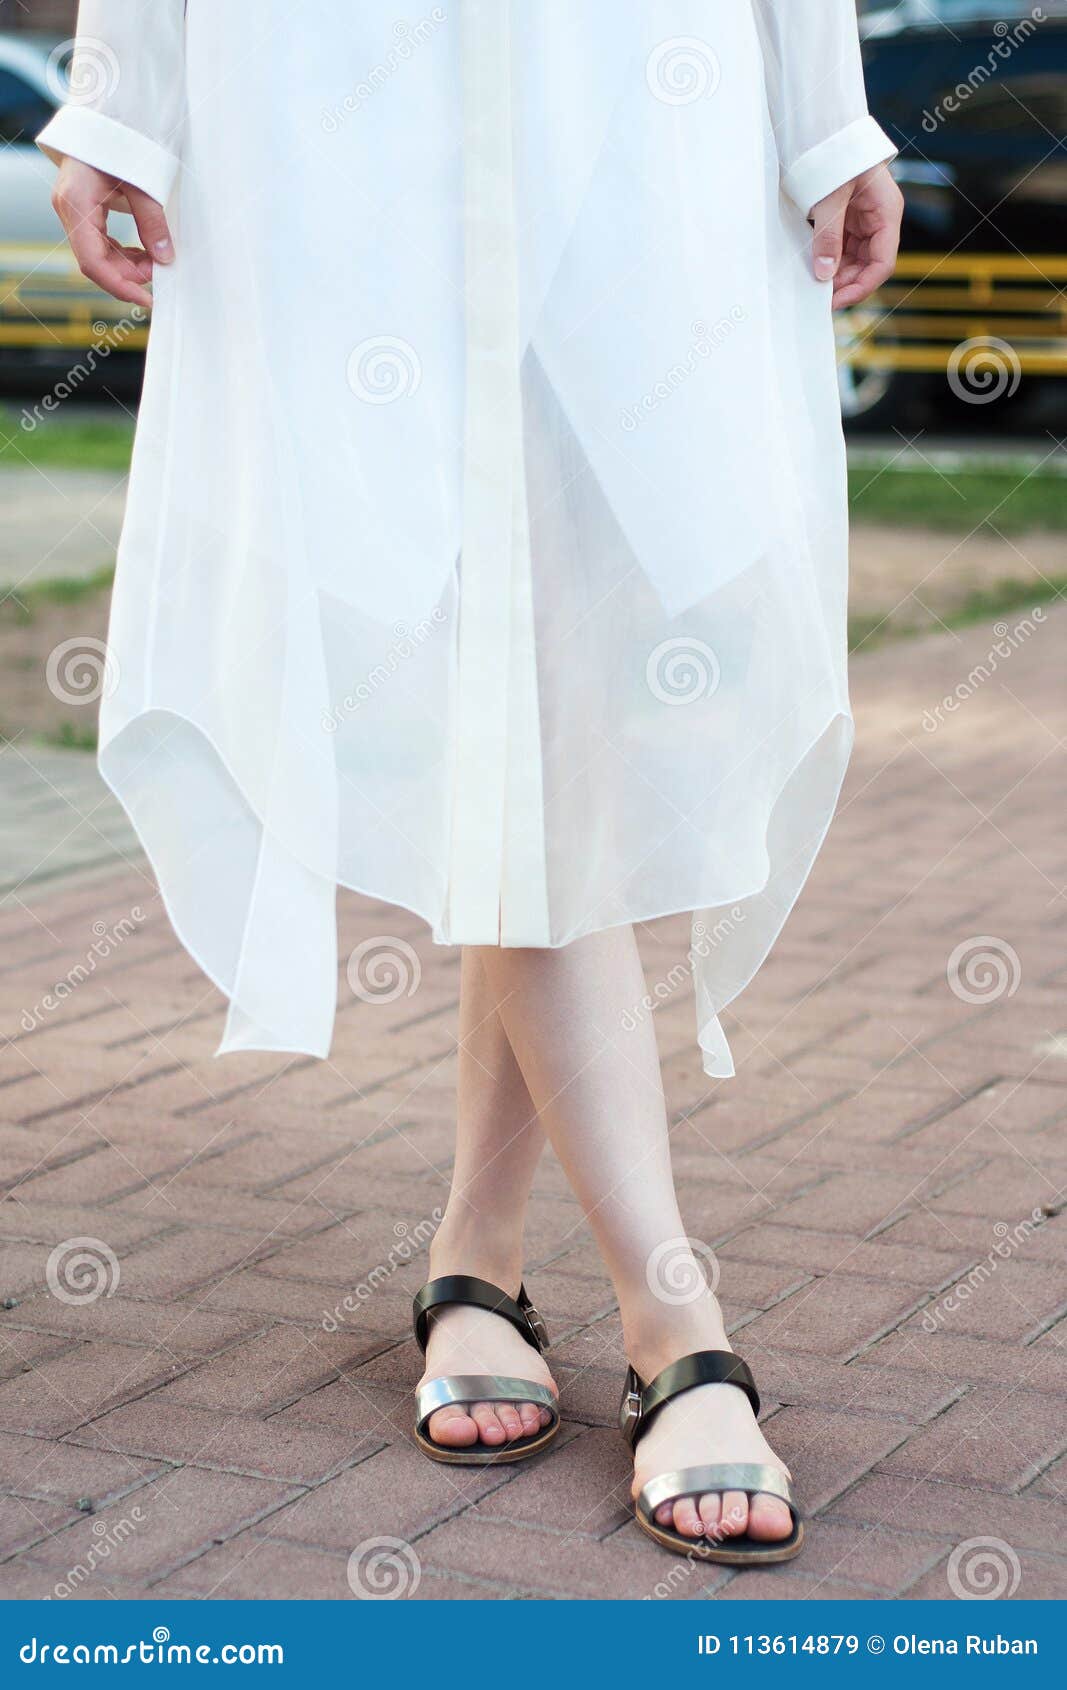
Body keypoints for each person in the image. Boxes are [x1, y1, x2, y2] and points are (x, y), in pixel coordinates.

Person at [42, 1, 902, 1564]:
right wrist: (119, 96)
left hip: (638, 88)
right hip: (361, 91)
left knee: (557, 693)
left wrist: (824, 110)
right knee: (521, 694)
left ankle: (476, 1255)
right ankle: (671, 1312)